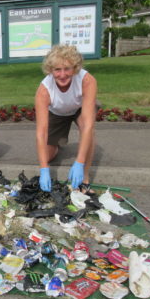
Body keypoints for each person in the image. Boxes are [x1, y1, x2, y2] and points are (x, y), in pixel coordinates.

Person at [35, 44, 97, 193]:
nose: (62, 75)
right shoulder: (44, 90)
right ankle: (58, 144)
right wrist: (44, 169)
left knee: (88, 131)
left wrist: (79, 163)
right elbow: (41, 133)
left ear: (75, 68)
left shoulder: (87, 80)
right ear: (50, 70)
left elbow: (88, 125)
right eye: (57, 69)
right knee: (48, 155)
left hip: (79, 108)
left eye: (67, 68)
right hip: (57, 113)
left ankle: (85, 180)